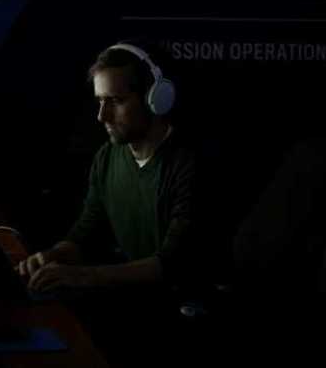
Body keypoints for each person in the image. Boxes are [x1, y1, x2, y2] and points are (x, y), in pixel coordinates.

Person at [17, 43, 200, 294]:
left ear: (156, 99)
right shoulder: (107, 157)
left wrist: (83, 276)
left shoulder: (188, 164)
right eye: (100, 101)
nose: (102, 116)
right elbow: (87, 233)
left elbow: (173, 263)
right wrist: (54, 255)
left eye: (116, 101)